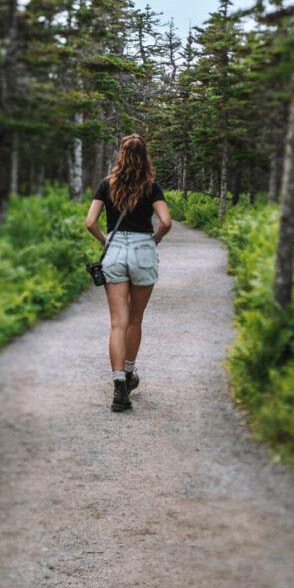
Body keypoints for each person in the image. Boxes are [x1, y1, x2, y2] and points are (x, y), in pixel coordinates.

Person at [86, 134, 172, 412]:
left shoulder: (106, 185)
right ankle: (131, 373)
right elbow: (166, 221)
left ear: (121, 155)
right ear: (145, 156)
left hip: (114, 251)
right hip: (144, 249)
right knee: (135, 321)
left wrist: (105, 241)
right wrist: (155, 239)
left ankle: (119, 387)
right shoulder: (151, 187)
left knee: (117, 323)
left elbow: (90, 222)